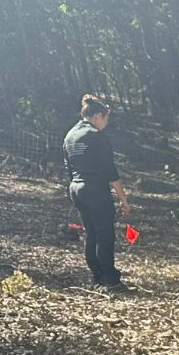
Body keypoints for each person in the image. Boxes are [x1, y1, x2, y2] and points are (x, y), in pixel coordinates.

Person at [63, 94, 131, 292]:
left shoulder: (70, 136)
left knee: (91, 232)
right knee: (105, 235)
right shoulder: (97, 136)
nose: (106, 124)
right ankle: (112, 280)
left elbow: (68, 166)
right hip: (95, 190)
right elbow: (111, 172)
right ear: (99, 115)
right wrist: (124, 199)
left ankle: (98, 276)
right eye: (106, 119)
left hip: (76, 188)